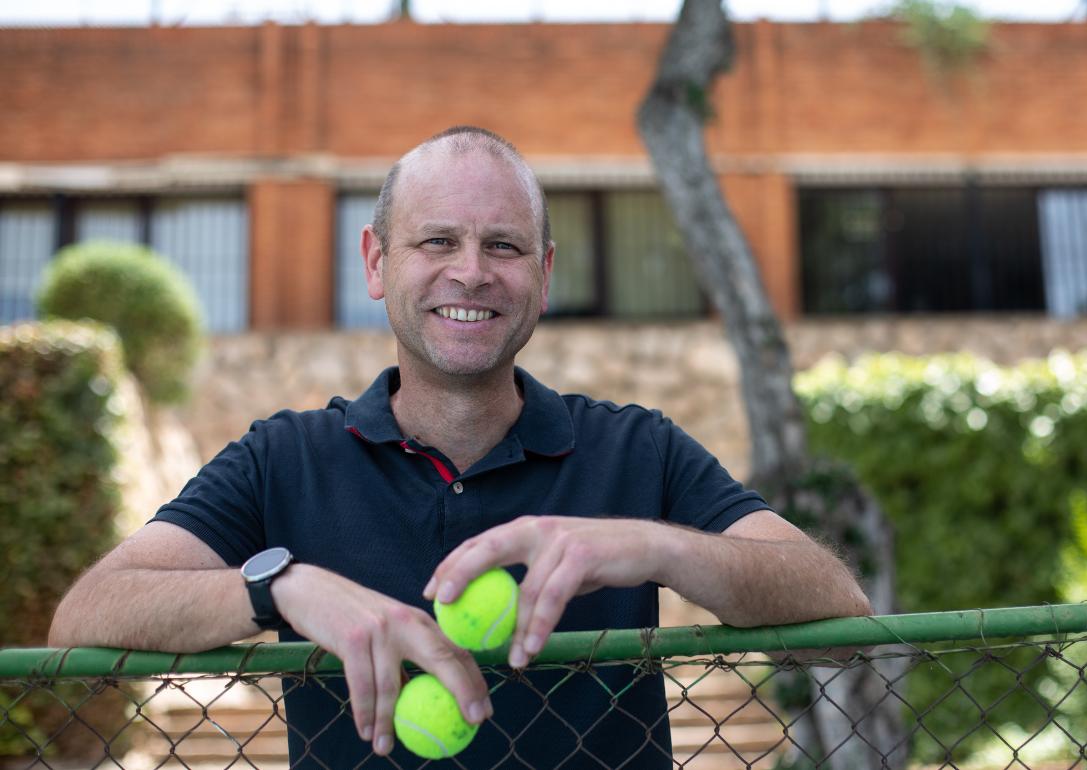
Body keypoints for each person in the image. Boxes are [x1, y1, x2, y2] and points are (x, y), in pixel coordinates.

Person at [48, 125, 871, 768]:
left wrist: (657, 548)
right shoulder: (283, 458)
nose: (471, 272)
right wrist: (279, 590)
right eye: (437, 241)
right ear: (376, 263)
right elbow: (85, 620)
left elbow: (836, 599)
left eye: (503, 246)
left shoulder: (638, 449)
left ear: (544, 276)